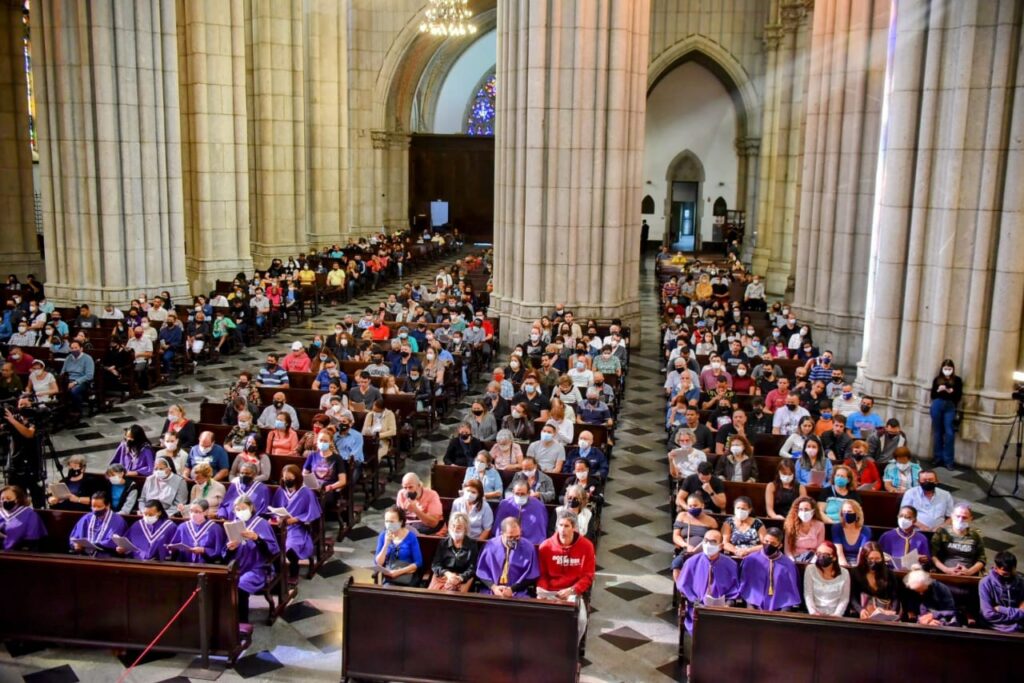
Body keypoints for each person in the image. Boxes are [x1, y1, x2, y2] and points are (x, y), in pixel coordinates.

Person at [538, 510, 596, 640]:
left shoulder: (587, 546)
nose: (562, 529)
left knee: (580, 621)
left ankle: (572, 652)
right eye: (560, 525)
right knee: (541, 620)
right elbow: (543, 575)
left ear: (574, 528)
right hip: (551, 592)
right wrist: (542, 591)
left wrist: (572, 590)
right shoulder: (545, 546)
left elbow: (588, 576)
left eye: (566, 526)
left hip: (573, 592)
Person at [226, 495, 281, 626]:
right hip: (238, 565)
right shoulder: (233, 524)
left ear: (250, 507)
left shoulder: (261, 523)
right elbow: (225, 553)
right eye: (237, 509)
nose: (240, 511)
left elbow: (271, 551)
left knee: (241, 586)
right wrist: (231, 548)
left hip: (258, 567)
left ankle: (242, 624)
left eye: (243, 508)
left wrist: (257, 538)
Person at [675, 529, 740, 632]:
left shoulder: (731, 565)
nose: (708, 544)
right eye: (705, 541)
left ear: (721, 546)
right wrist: (697, 603)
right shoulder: (691, 562)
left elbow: (734, 589)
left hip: (722, 610)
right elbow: (684, 587)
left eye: (713, 542)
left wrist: (728, 604)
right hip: (697, 609)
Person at [271, 465, 322, 584]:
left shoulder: (306, 492)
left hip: (298, 527)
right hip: (280, 525)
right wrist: (277, 517)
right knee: (270, 543)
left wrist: (297, 519)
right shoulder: (281, 490)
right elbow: (274, 507)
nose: (287, 480)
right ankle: (276, 572)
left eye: (290, 478)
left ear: (297, 477)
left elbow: (313, 512)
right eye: (285, 478)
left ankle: (294, 571)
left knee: (290, 546)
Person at [738, 527, 801, 611]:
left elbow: (790, 593)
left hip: (780, 604)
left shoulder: (788, 564)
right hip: (754, 602)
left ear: (780, 545)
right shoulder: (750, 559)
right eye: (766, 541)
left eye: (773, 543)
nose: (768, 545)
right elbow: (746, 586)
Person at [476, 517, 540, 598]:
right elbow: (482, 571)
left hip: (518, 591)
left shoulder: (528, 547)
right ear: (502, 533)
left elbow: (532, 575)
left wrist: (512, 589)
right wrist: (494, 588)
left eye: (517, 536)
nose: (514, 540)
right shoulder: (490, 546)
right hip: (492, 590)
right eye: (510, 537)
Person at [428, 512, 480, 592]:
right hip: (444, 575)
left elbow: (472, 568)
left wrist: (460, 578)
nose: (455, 530)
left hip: (462, 577)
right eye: (453, 526)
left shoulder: (472, 545)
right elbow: (435, 564)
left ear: (465, 529)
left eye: (459, 527)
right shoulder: (443, 543)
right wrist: (447, 574)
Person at [931, 503, 986, 577]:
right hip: (945, 574)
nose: (960, 520)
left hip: (969, 576)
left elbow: (982, 558)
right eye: (958, 516)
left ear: (970, 519)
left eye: (964, 517)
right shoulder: (942, 532)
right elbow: (932, 555)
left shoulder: (975, 535)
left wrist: (969, 572)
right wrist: (946, 570)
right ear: (952, 516)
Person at [374, 506, 423, 586]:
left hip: (408, 576)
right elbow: (378, 563)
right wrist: (386, 544)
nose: (389, 525)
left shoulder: (411, 536)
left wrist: (399, 572)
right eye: (386, 521)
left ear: (400, 522)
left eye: (392, 522)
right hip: (390, 576)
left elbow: (418, 562)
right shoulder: (383, 536)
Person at [493, 475, 549, 545]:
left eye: (522, 494)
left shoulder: (539, 507)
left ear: (528, 493)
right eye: (517, 493)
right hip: (506, 541)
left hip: (530, 544)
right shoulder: (504, 504)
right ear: (513, 492)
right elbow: (498, 528)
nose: (519, 496)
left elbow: (540, 532)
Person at [69, 491, 127, 557]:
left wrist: (95, 545)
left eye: (99, 507)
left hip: (106, 557)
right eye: (93, 506)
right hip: (84, 556)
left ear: (107, 506)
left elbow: (113, 541)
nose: (95, 509)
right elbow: (75, 537)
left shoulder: (117, 520)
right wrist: (76, 545)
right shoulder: (86, 518)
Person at [169, 499, 227, 564]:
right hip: (184, 564)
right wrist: (172, 548)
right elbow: (174, 546)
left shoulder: (216, 528)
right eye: (191, 511)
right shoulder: (182, 527)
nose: (193, 514)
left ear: (206, 512)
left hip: (206, 565)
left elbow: (220, 551)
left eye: (197, 512)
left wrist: (204, 550)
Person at [979, 551, 1024, 633]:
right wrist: (1018, 614)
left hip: (1018, 626)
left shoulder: (1021, 582)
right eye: (1005, 572)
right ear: (996, 567)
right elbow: (988, 614)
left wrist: (1001, 609)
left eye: (1011, 571)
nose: (1009, 574)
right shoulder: (985, 583)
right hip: (993, 627)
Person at [803, 541, 851, 617]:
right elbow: (808, 594)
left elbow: (844, 598)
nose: (821, 557)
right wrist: (813, 613)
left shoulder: (844, 573)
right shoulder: (810, 569)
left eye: (825, 555)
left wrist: (836, 615)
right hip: (815, 615)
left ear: (834, 557)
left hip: (836, 616)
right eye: (819, 554)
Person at [929, 359, 962, 469]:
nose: (947, 371)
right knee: (937, 432)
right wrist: (939, 390)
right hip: (937, 404)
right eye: (945, 369)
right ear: (942, 369)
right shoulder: (937, 379)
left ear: (952, 369)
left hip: (950, 406)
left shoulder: (957, 380)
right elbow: (933, 395)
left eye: (949, 369)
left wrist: (949, 391)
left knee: (949, 433)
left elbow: (958, 397)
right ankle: (938, 457)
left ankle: (948, 460)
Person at [0, 485, 46, 551]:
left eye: (8, 498)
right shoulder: (1, 513)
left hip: (20, 553)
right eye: (2, 499)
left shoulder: (30, 514)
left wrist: (6, 538)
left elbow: (33, 540)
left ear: (18, 499)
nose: (5, 501)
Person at [783, 496, 826, 562]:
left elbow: (820, 549)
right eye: (800, 509)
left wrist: (813, 562)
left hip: (812, 559)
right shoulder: (790, 525)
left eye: (806, 509)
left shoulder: (820, 525)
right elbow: (787, 551)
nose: (803, 512)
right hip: (795, 559)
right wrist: (792, 562)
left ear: (813, 511)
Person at [831, 500, 871, 567]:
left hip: (858, 562)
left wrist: (856, 570)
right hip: (841, 562)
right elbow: (839, 552)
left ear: (857, 513)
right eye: (844, 512)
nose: (846, 514)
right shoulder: (836, 528)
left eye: (849, 512)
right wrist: (845, 567)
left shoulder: (866, 530)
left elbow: (861, 554)